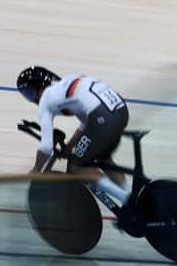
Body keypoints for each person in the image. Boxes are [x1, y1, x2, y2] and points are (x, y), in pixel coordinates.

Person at [16, 66, 131, 206]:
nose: (32, 99)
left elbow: (46, 147)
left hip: (102, 118)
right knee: (103, 158)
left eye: (30, 93)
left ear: (40, 86)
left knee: (78, 167)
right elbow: (85, 124)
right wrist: (69, 148)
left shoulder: (46, 99)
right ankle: (130, 197)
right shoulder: (67, 84)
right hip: (121, 110)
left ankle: (125, 198)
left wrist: (36, 169)